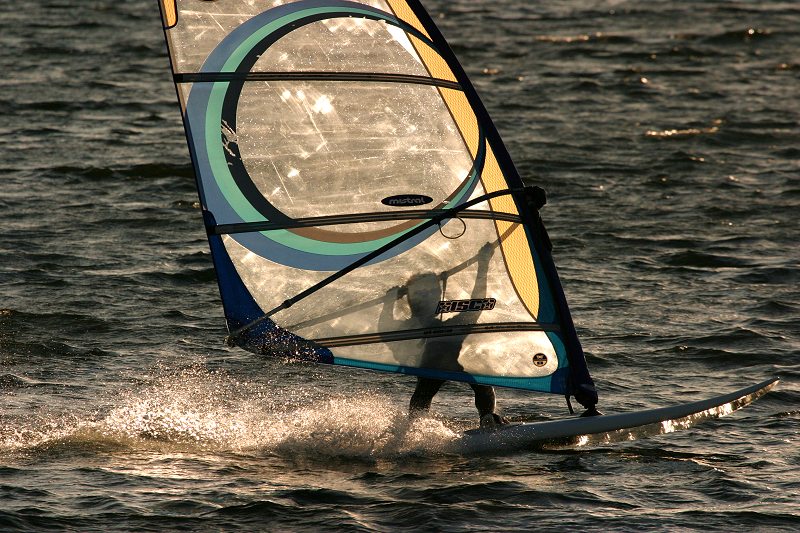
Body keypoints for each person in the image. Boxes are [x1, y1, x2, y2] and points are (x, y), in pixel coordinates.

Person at [381, 242, 508, 429]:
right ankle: (486, 416)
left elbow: (477, 304)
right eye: (423, 293)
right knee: (476, 385)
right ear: (412, 299)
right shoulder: (416, 327)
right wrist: (483, 264)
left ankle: (416, 425)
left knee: (430, 391)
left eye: (433, 292)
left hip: (438, 362)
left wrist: (389, 302)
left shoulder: (438, 326)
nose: (429, 297)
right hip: (433, 364)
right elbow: (385, 332)